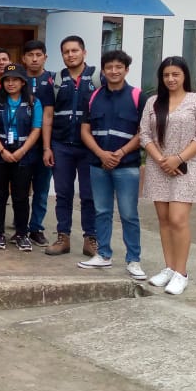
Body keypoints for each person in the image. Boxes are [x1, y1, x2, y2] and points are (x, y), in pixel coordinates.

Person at [140, 56, 196, 295]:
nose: (170, 79)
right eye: (166, 75)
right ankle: (169, 267)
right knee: (164, 220)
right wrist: (162, 160)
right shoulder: (153, 102)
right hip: (158, 166)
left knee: (178, 219)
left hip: (186, 167)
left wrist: (178, 159)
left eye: (175, 74)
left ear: (184, 76)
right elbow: (144, 135)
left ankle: (181, 273)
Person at [79, 51, 148, 279]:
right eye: (109, 67)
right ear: (103, 70)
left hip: (126, 165)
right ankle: (103, 255)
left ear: (126, 70)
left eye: (119, 67)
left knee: (129, 214)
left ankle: (134, 260)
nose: (114, 71)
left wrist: (120, 152)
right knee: (102, 211)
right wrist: (101, 154)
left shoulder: (138, 97)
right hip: (98, 164)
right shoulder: (93, 97)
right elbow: (85, 130)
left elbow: (144, 131)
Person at [44, 35, 101, 257]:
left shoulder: (97, 77)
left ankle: (90, 239)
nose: (70, 55)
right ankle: (63, 238)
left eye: (74, 50)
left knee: (89, 195)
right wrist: (47, 147)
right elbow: (48, 115)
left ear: (84, 52)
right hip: (61, 145)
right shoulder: (56, 80)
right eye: (66, 52)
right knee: (63, 194)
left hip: (89, 147)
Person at [0, 64, 42, 250]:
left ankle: (22, 234)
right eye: (7, 80)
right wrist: (2, 151)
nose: (11, 83)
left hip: (23, 155)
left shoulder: (33, 102)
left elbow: (36, 129)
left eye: (15, 80)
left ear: (23, 82)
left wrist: (21, 151)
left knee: (21, 196)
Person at [22, 40, 56, 246]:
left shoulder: (53, 80)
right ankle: (20, 226)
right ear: (23, 58)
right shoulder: (18, 79)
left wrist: (47, 147)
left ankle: (36, 227)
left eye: (38, 55)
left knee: (41, 189)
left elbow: (50, 115)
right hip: (20, 144)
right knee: (20, 188)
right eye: (30, 55)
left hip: (45, 144)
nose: (34, 59)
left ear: (45, 57)